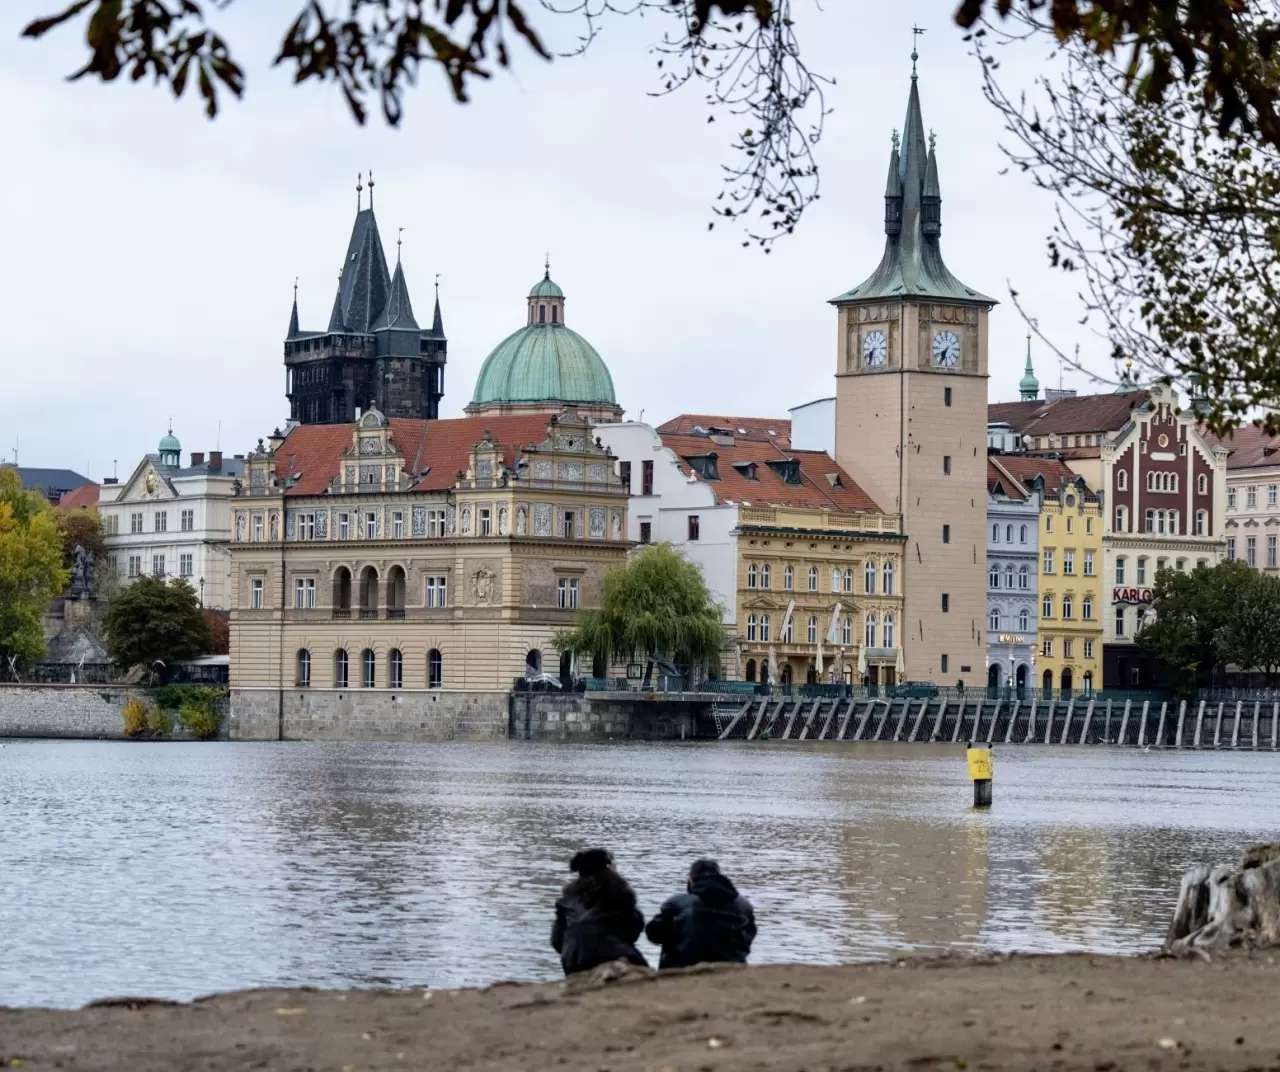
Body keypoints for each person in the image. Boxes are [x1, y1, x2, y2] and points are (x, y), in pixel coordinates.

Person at [550, 848, 648, 976]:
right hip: (612, 952)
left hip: (572, 958)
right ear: (607, 866)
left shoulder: (566, 898)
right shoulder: (620, 891)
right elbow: (633, 928)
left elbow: (557, 940)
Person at [645, 858, 756, 970]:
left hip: (683, 968)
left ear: (691, 880)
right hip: (733, 967)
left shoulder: (677, 903)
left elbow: (653, 935)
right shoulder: (744, 905)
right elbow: (750, 936)